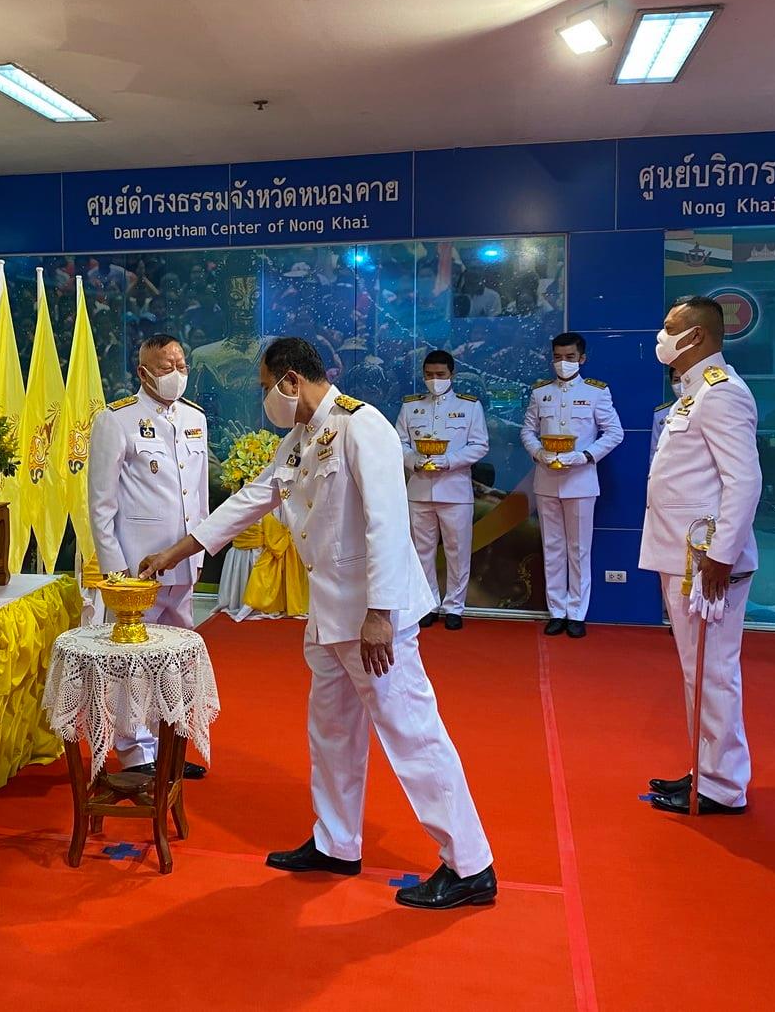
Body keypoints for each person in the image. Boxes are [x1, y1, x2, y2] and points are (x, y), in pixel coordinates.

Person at [139, 337, 496, 910]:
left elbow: (386, 521)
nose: (264, 398)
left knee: (411, 733)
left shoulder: (364, 426)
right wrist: (178, 551)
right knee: (330, 731)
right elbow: (251, 500)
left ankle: (470, 863)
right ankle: (336, 842)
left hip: (374, 617)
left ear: (290, 382)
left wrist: (381, 612)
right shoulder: (302, 439)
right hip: (329, 615)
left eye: (263, 387)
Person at [640, 296, 762, 816]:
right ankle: (706, 768)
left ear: (698, 338)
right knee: (698, 670)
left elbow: (744, 480)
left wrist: (721, 555)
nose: (661, 337)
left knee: (712, 671)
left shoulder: (722, 394)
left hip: (706, 562)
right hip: (682, 554)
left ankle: (723, 785)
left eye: (670, 328)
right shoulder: (692, 394)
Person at [87, 334, 210, 778]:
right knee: (132, 661)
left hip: (183, 562)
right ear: (143, 372)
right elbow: (101, 504)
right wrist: (116, 572)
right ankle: (136, 753)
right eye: (165, 366)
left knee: (177, 657)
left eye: (181, 364)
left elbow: (198, 497)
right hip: (136, 569)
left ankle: (171, 747)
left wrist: (200, 551)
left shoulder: (195, 417)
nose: (176, 373)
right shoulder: (116, 421)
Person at [521, 332, 624, 638]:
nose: (562, 363)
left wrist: (584, 456)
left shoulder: (596, 392)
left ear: (582, 359)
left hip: (580, 480)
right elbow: (527, 431)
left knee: (578, 549)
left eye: (569, 357)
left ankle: (577, 612)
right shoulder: (541, 393)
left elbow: (614, 433)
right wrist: (539, 453)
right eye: (557, 357)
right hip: (547, 478)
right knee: (552, 548)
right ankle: (557, 610)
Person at [395, 350, 488, 631]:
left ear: (452, 375)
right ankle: (428, 604)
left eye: (440, 375)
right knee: (422, 550)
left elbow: (480, 445)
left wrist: (448, 461)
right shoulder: (411, 407)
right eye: (429, 375)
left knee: (457, 551)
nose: (434, 380)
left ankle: (454, 606)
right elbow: (399, 442)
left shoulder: (470, 407)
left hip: (455, 489)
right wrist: (413, 461)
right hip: (420, 488)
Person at [651, 374, 683, 459]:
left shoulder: (702, 409)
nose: (681, 384)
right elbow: (655, 450)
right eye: (676, 380)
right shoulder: (661, 413)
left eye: (685, 379)